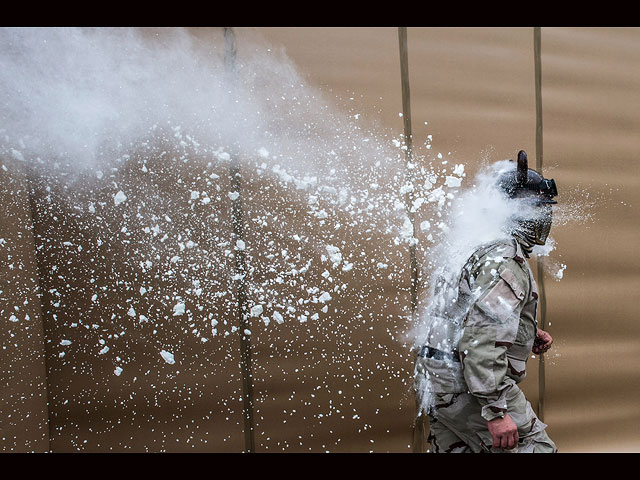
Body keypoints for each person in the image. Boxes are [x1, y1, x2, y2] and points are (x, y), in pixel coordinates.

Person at [413, 150, 558, 453]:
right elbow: (481, 338)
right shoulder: (506, 259)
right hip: (468, 386)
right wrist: (496, 410)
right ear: (520, 213)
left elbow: (463, 311)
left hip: (439, 379)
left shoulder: (474, 243)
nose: (544, 219)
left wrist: (525, 330)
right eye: (540, 210)